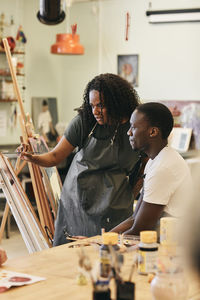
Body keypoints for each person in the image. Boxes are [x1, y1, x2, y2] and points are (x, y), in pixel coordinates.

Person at [19, 73, 140, 246]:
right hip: (78, 203)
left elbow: (143, 167)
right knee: (71, 256)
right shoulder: (85, 122)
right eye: (92, 105)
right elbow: (54, 156)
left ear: (117, 103)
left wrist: (131, 193)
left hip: (116, 206)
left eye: (101, 105)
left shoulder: (134, 126)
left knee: (110, 257)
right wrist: (32, 157)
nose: (95, 111)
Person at [111, 102, 193, 235]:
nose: (128, 132)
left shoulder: (163, 167)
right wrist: (102, 238)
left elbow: (140, 230)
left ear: (153, 132)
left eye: (133, 127)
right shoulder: (155, 161)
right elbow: (134, 219)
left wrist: (104, 245)